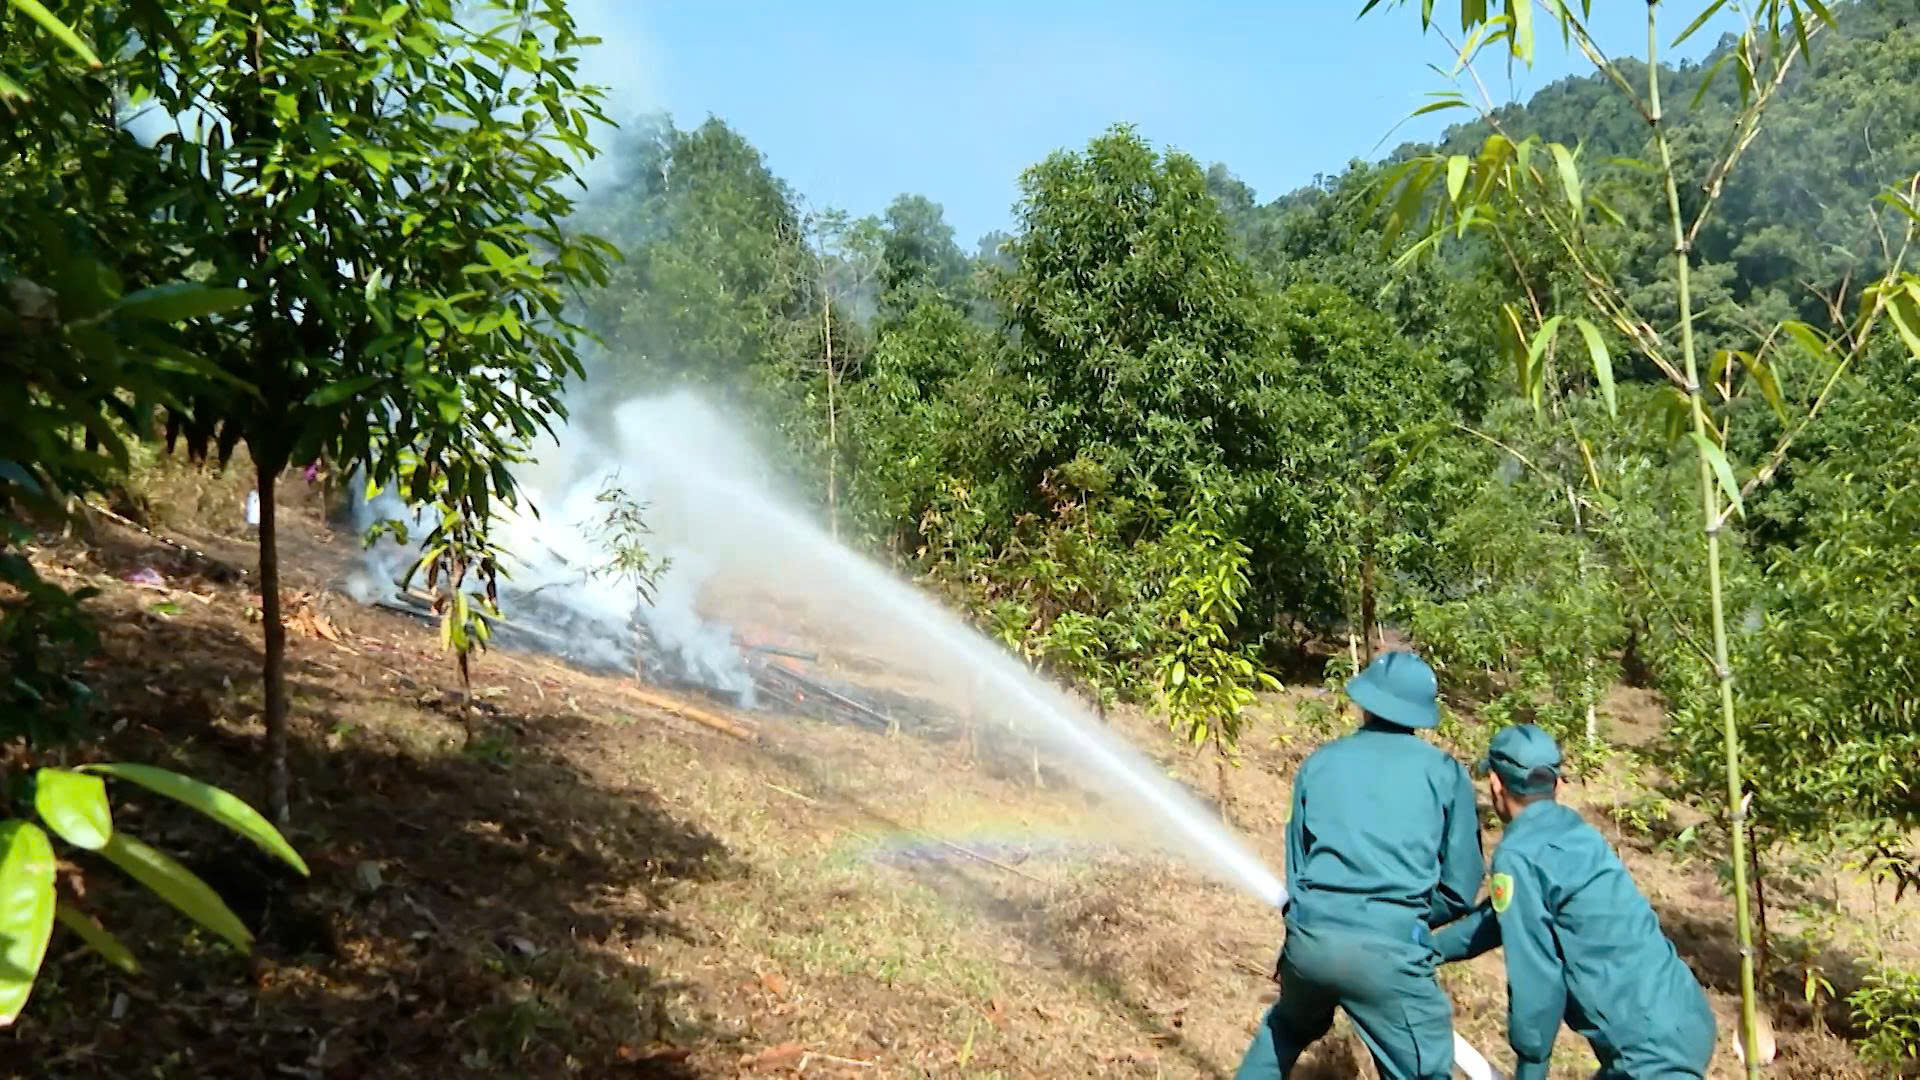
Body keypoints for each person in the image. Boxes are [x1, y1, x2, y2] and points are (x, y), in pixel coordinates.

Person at [1235, 650, 1484, 1080]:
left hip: (1310, 943)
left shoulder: (1319, 764)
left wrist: (1296, 940)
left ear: (1364, 703)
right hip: (1390, 954)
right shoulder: (1444, 773)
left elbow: (1299, 872)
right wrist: (1407, 923)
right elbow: (1460, 888)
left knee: (1287, 1027)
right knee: (1421, 1070)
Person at [1433, 724, 1717, 1080]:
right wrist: (1428, 947)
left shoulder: (1519, 856)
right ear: (1557, 783)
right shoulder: (1577, 834)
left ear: (1495, 783)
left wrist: (1531, 1066)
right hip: (1686, 1018)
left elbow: (1536, 976)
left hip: (1646, 1053)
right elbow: (1501, 916)